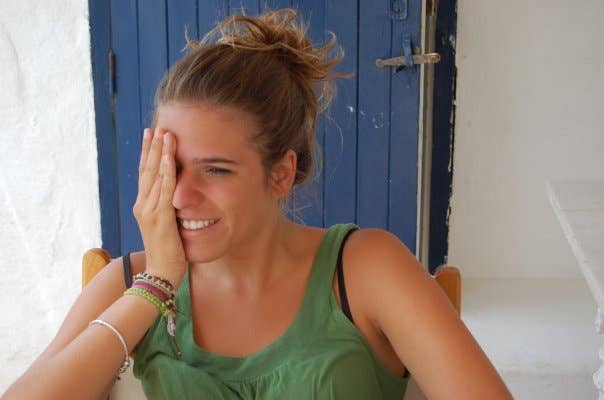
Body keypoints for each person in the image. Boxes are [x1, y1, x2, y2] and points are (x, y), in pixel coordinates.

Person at [2, 8, 513, 400]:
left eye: (215, 169)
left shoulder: (365, 269)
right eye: (170, 166)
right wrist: (156, 284)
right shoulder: (128, 283)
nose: (180, 195)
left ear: (281, 173)